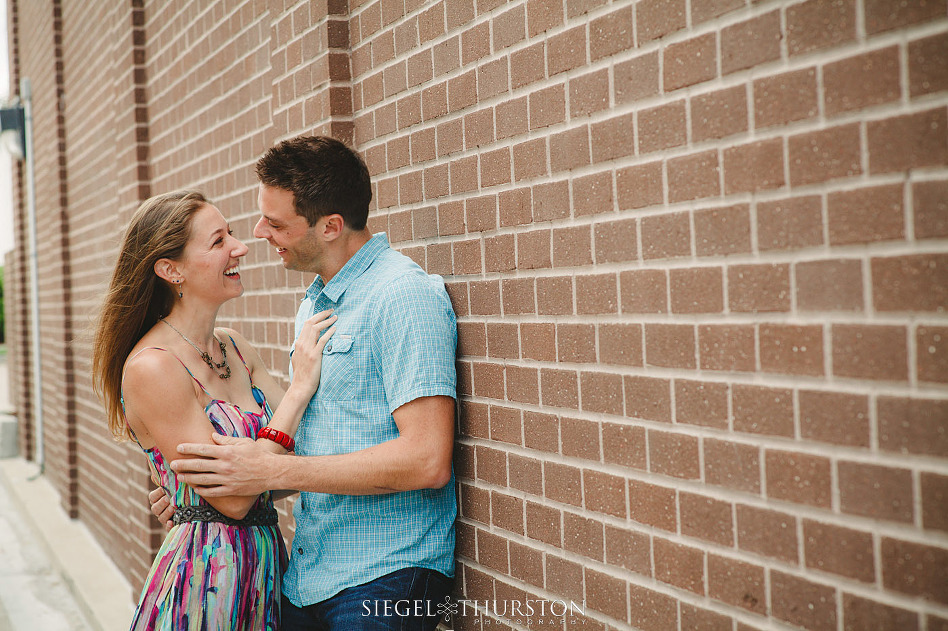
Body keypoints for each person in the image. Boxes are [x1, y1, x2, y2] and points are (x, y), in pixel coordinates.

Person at [155, 136, 459, 631]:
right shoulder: (316, 305)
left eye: (275, 224)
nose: (258, 233)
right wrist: (202, 501)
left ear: (331, 226)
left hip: (385, 577)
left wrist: (272, 475)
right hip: (308, 578)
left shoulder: (402, 297)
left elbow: (426, 461)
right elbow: (323, 448)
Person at [92, 190, 337, 630]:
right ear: (171, 270)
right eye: (219, 240)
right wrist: (299, 390)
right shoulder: (153, 367)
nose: (239, 248)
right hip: (207, 584)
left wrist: (189, 499)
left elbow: (305, 460)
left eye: (234, 235)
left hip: (265, 571)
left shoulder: (236, 348)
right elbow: (235, 498)